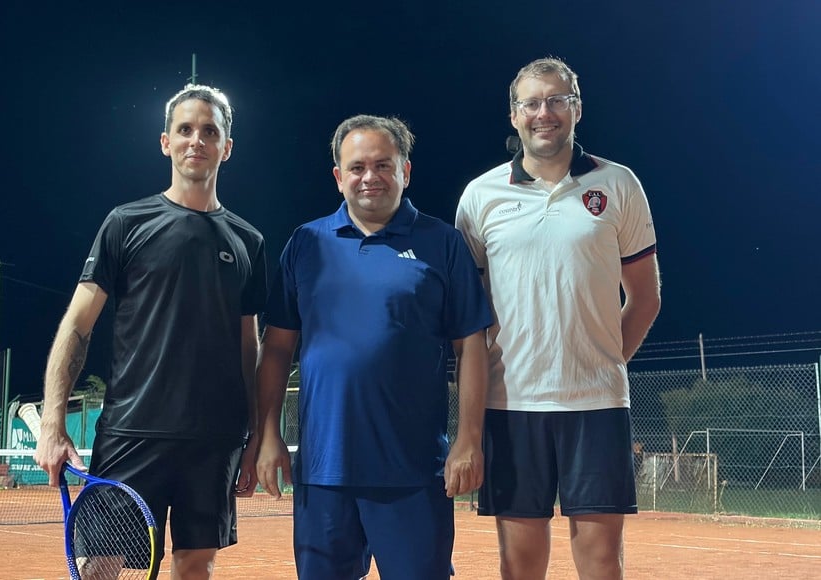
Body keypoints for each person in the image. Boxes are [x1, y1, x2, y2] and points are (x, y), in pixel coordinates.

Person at [34, 84, 267, 579]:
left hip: (214, 439)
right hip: (131, 432)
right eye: (184, 130)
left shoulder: (249, 241)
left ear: (227, 147)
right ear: (166, 141)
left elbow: (250, 346)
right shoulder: (126, 223)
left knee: (195, 567)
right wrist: (53, 424)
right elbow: (77, 325)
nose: (195, 141)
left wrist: (255, 435)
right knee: (101, 567)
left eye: (210, 131)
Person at [255, 114, 492, 580]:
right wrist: (267, 434)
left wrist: (469, 440)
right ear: (338, 177)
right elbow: (277, 348)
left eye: (384, 165)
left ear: (406, 171)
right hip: (324, 472)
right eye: (358, 167)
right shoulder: (306, 243)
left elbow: (472, 347)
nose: (370, 177)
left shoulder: (442, 244)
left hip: (413, 472)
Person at [455, 57, 662, 579]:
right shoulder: (481, 197)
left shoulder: (618, 184)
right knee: (520, 564)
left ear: (576, 108)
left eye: (557, 100)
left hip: (596, 402)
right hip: (511, 401)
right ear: (513, 115)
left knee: (600, 562)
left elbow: (645, 298)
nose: (544, 112)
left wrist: (606, 361)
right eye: (531, 102)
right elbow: (469, 318)